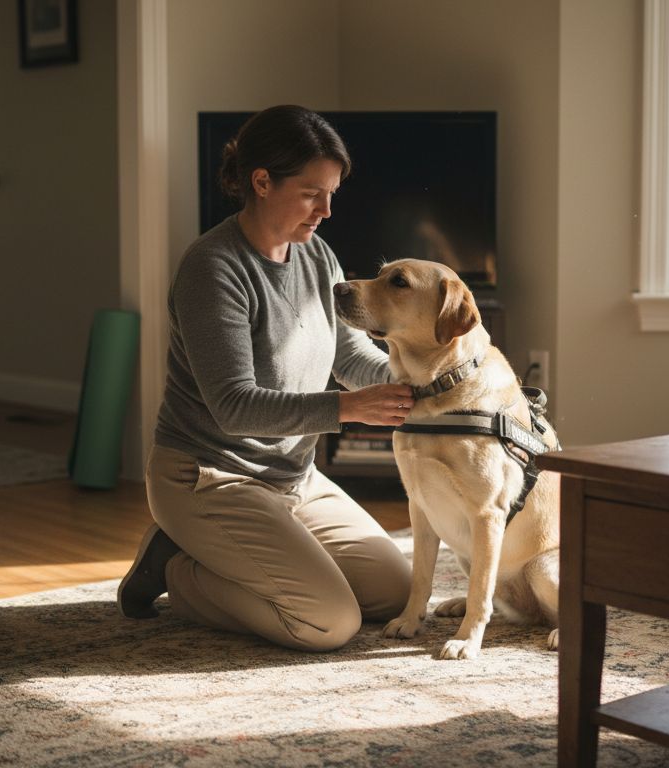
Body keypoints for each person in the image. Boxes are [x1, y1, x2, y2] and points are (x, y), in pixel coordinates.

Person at [117, 105, 416, 652]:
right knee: (328, 622)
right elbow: (235, 406)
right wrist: (351, 409)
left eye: (332, 194)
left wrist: (421, 387)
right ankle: (179, 567)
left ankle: (227, 555)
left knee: (396, 593)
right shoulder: (213, 268)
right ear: (261, 181)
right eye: (311, 193)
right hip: (208, 476)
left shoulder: (317, 255)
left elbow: (349, 359)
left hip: (292, 478)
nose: (326, 210)